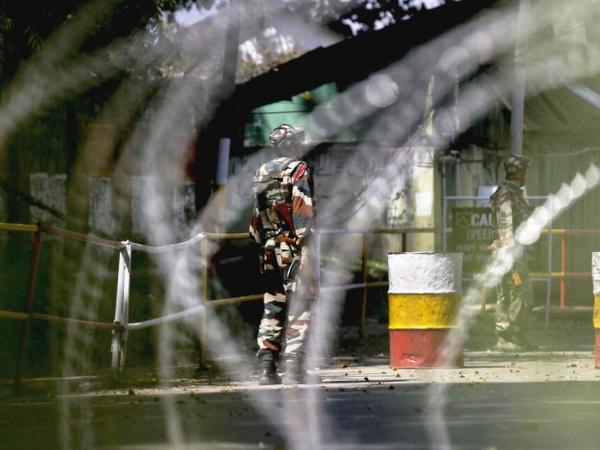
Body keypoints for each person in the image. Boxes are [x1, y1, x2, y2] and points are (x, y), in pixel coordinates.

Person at [249, 124, 318, 384]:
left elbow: (256, 214)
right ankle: (294, 368)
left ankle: (266, 368)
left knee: (272, 305)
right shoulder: (298, 168)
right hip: (294, 247)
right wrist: (305, 247)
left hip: (268, 247)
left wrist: (261, 244)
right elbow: (302, 210)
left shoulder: (262, 171)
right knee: (300, 305)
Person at [489, 155, 537, 351]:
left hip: (515, 251)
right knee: (510, 293)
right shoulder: (506, 195)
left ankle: (517, 336)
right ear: (519, 172)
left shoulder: (513, 193)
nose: (527, 174)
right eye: (525, 170)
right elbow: (506, 225)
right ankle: (506, 338)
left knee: (521, 294)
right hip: (509, 254)